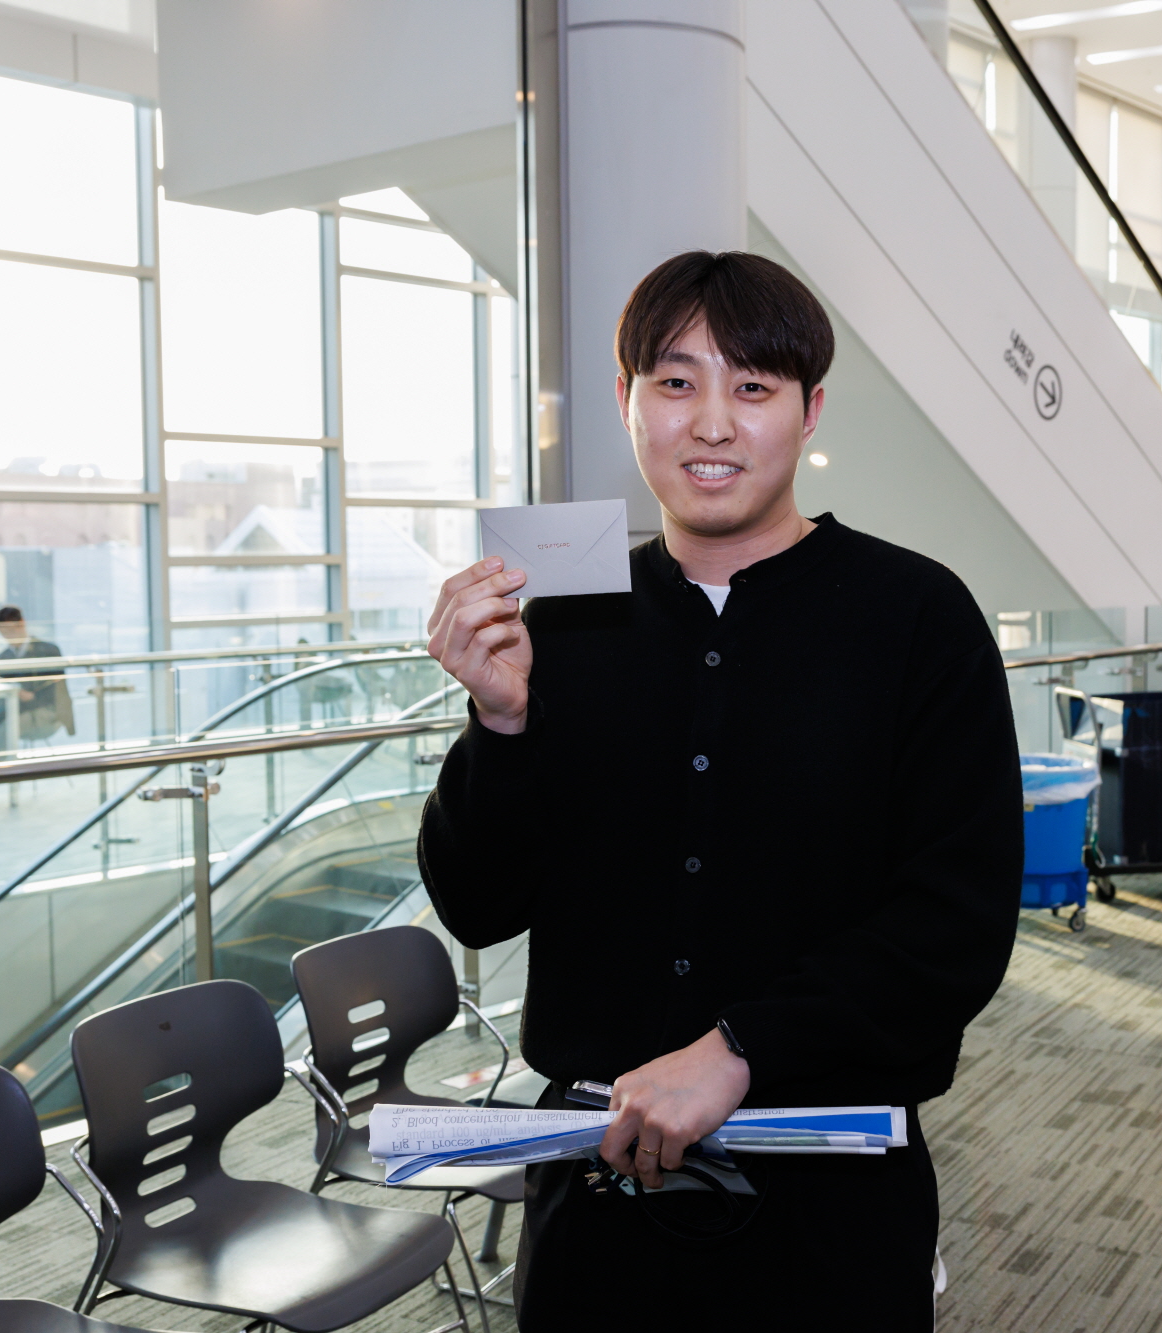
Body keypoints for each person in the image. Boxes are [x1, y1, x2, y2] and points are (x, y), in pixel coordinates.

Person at [418, 251, 1022, 1329]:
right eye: (675, 381)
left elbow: (955, 920)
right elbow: (477, 903)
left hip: (828, 1192)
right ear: (627, 401)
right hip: (597, 1185)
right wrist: (499, 725)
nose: (710, 422)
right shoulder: (561, 620)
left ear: (808, 411)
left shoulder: (916, 616)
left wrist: (739, 1047)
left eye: (751, 386)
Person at [0, 606, 75, 805]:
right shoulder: (4, 657)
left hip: (44, 712)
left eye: (9, 630)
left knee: (7, 729)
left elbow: (57, 689)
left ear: (21, 624)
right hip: (12, 709)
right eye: (2, 632)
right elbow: (2, 689)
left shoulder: (48, 650)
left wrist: (27, 695)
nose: (6, 636)